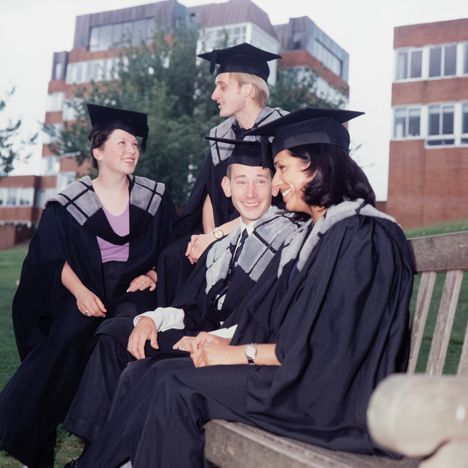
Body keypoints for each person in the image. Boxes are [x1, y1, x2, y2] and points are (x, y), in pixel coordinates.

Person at [76, 107, 415, 468]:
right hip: (300, 380)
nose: (277, 183)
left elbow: (331, 347)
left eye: (282, 169)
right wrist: (220, 342)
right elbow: (278, 321)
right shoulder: (323, 235)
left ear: (317, 165)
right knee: (162, 372)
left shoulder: (364, 235)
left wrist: (239, 354)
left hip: (329, 399)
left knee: (176, 386)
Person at [62, 139, 304, 453]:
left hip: (232, 345)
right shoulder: (221, 247)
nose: (251, 192)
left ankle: (110, 455)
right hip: (200, 332)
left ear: (275, 186)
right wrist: (150, 319)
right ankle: (94, 441)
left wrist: (206, 338)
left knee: (140, 370)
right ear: (226, 187)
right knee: (114, 332)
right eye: (241, 182)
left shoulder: (286, 241)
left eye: (261, 181)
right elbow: (189, 308)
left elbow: (263, 323)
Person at [0, 103, 176, 468]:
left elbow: (172, 247)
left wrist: (155, 275)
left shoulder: (154, 197)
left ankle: (100, 445)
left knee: (114, 338)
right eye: (123, 143)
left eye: (136, 145)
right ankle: (31, 438)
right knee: (63, 341)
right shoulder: (70, 201)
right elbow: (50, 255)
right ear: (98, 150)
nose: (132, 151)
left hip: (133, 289)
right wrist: (79, 293)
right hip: (86, 287)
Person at [156, 42, 288, 306]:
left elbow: (276, 208)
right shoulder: (221, 136)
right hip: (223, 230)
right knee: (172, 257)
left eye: (222, 86)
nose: (214, 95)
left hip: (271, 231)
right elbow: (209, 194)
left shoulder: (284, 131)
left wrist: (216, 239)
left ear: (248, 89)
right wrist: (210, 239)